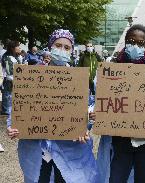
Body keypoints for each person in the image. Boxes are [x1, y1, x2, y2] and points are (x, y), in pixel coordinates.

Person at [6, 29, 98, 183]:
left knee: (65, 179)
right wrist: (12, 125)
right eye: (58, 45)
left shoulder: (77, 79)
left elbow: (86, 106)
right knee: (39, 178)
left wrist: (86, 121)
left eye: (67, 47)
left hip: (68, 146)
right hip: (38, 146)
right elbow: (18, 103)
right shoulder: (33, 76)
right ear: (50, 46)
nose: (62, 50)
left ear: (72, 51)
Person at [96, 24, 145, 183]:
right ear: (125, 43)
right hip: (120, 141)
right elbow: (99, 97)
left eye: (141, 43)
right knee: (116, 178)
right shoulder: (111, 69)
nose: (135, 46)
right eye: (131, 42)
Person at [1, 40, 22, 115]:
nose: (20, 48)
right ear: (12, 48)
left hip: (14, 79)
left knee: (11, 95)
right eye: (18, 46)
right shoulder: (8, 58)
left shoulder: (15, 57)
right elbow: (9, 72)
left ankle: (9, 109)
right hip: (9, 80)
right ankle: (6, 111)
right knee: (7, 95)